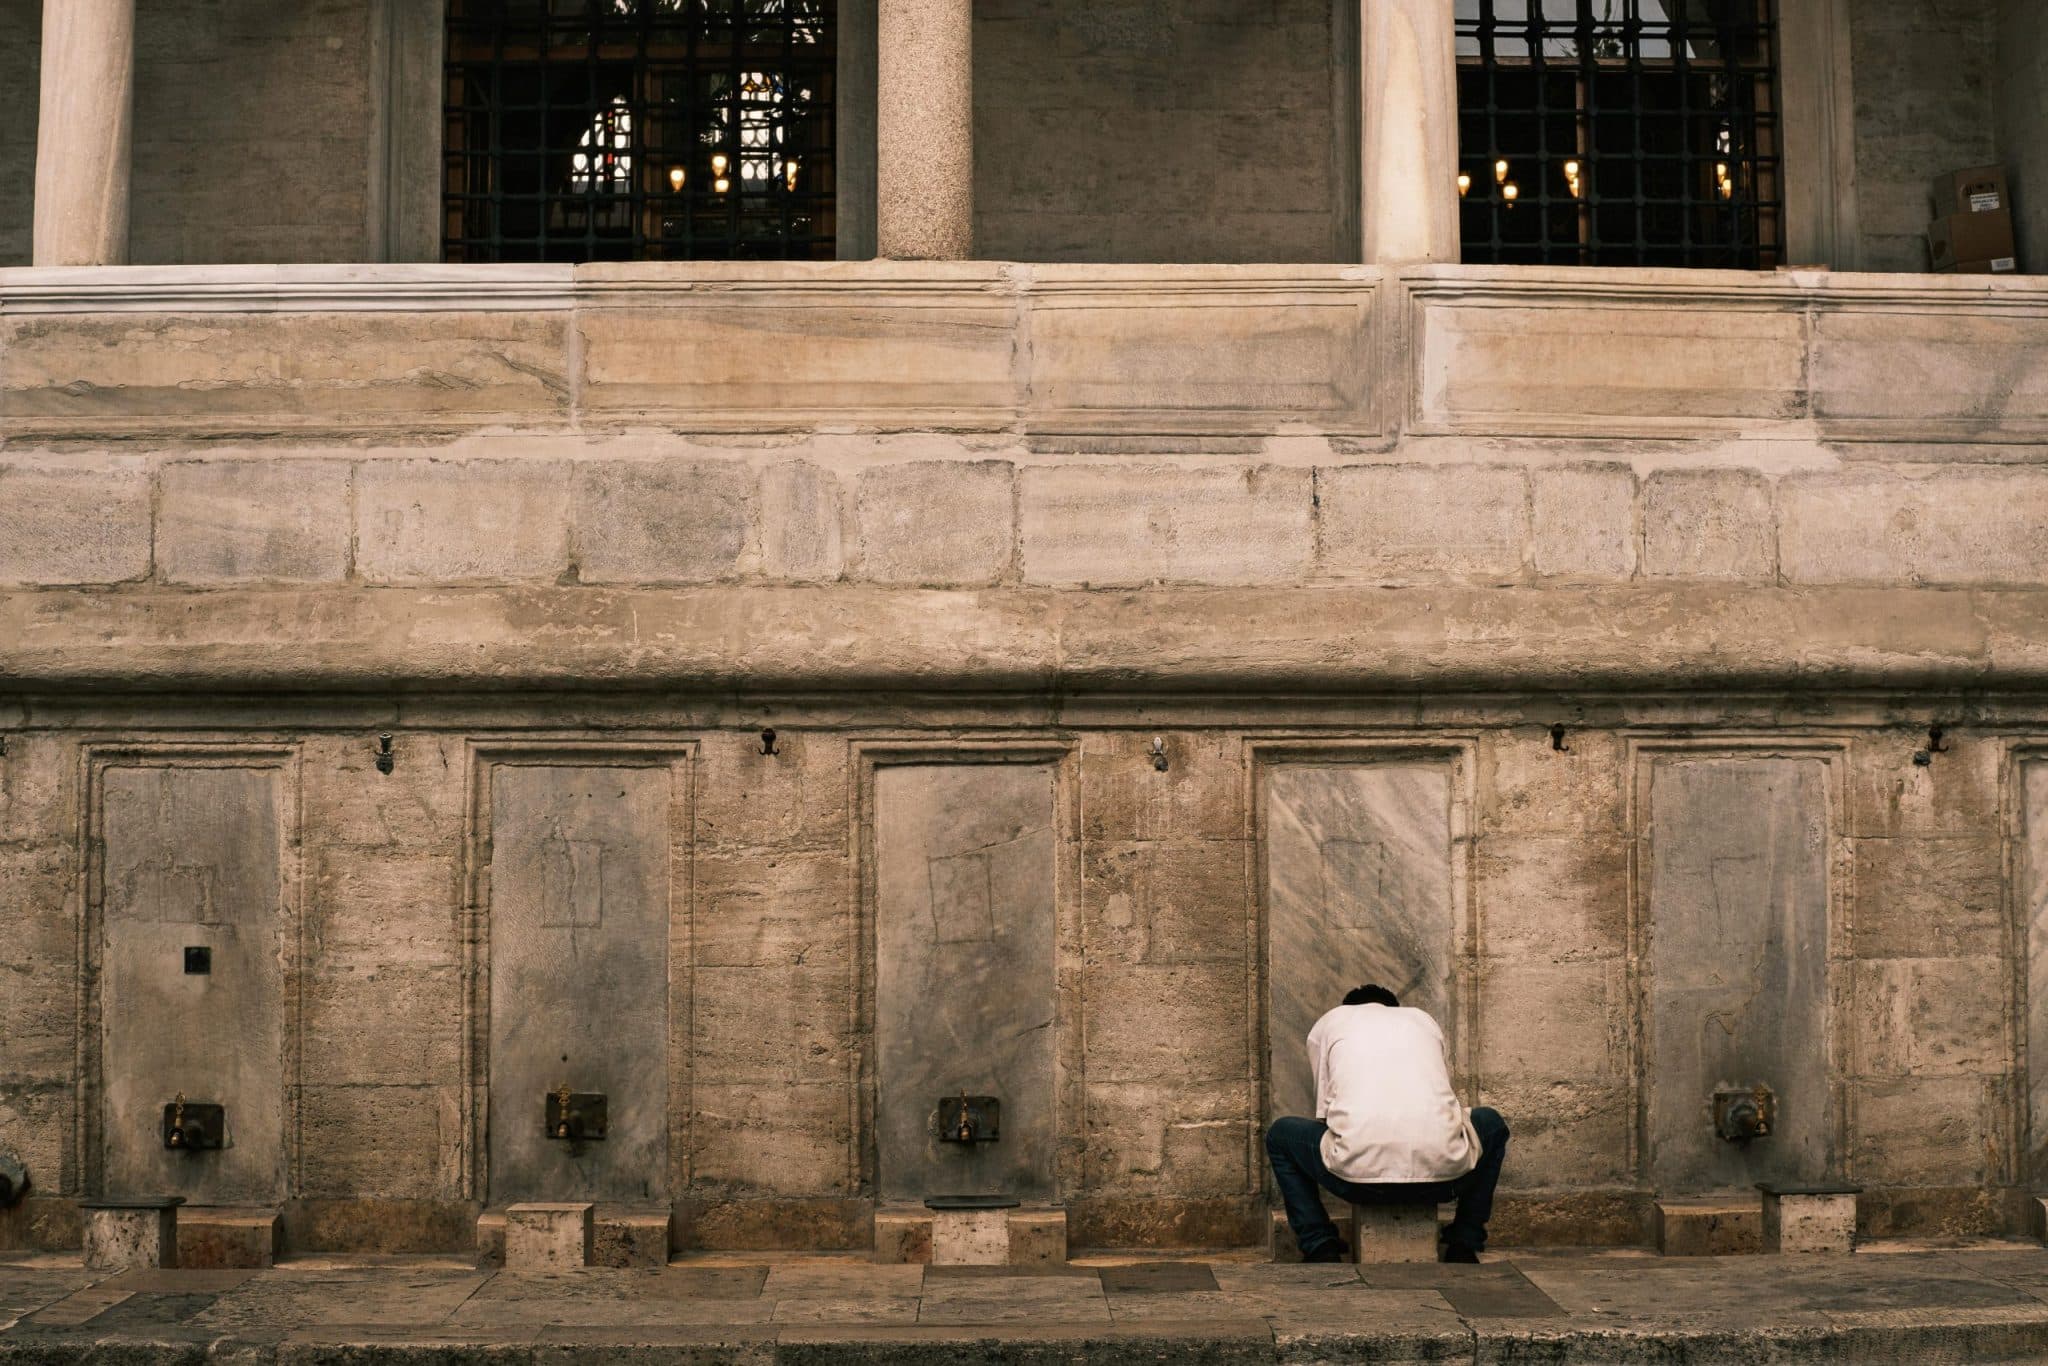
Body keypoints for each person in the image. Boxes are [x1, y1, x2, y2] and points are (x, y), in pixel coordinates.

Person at [1265, 984, 1509, 1264]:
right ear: (1395, 1009)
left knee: (1280, 1135)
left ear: (1348, 1008)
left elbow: (1325, 1113)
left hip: (1356, 1183)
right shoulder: (1423, 1021)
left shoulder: (1331, 1022)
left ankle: (1319, 1244)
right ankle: (1465, 1241)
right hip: (1444, 1180)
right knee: (1491, 1123)